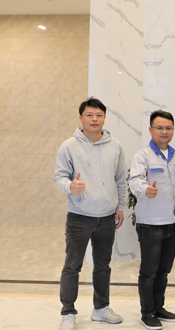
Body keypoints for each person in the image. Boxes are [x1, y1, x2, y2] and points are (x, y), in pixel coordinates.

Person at [53, 97, 126, 330]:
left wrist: (120, 206)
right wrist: (71, 186)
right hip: (79, 216)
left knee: (103, 265)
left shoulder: (115, 145)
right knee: (72, 265)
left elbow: (120, 179)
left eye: (99, 115)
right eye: (89, 115)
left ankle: (101, 308)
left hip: (107, 216)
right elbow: (59, 177)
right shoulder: (69, 146)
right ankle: (68, 312)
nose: (94, 119)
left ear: (104, 118)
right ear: (81, 117)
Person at [128, 110, 175, 330]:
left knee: (163, 271)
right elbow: (135, 180)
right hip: (151, 224)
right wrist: (145, 190)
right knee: (149, 272)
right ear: (151, 130)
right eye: (159, 128)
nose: (164, 132)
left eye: (168, 128)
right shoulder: (143, 155)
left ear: (173, 131)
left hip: (172, 223)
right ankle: (147, 312)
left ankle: (159, 307)